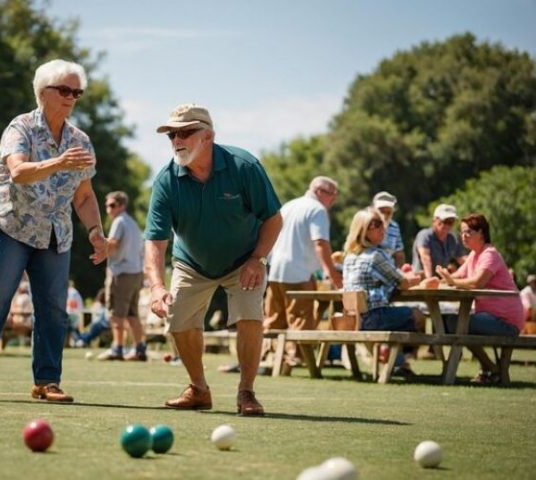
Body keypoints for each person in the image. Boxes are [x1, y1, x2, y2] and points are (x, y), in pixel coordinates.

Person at [0, 59, 107, 402]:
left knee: (53, 308)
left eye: (76, 92)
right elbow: (18, 172)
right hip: (10, 225)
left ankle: (46, 382)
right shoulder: (19, 128)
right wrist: (58, 163)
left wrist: (95, 230)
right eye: (64, 90)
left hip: (54, 233)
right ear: (42, 92)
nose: (71, 97)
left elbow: (85, 195)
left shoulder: (81, 140)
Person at [145, 103, 283, 416]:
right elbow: (155, 241)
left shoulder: (243, 166)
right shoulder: (165, 181)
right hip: (191, 262)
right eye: (172, 134)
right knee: (179, 320)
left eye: (186, 132)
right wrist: (155, 286)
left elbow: (274, 219)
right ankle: (199, 389)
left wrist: (257, 259)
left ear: (208, 136)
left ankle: (246, 391)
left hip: (244, 259)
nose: (177, 139)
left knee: (249, 316)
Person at [435, 213, 524, 384]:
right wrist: (441, 278)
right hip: (488, 318)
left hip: (506, 322)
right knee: (449, 322)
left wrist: (451, 280)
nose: (463, 236)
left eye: (468, 232)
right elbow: (456, 278)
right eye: (461, 232)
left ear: (481, 233)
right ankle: (491, 369)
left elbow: (477, 282)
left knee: (455, 323)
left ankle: (491, 368)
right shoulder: (473, 256)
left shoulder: (489, 254)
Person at [264, 176, 343, 370]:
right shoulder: (317, 210)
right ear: (320, 192)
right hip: (299, 273)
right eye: (333, 196)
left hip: (275, 271)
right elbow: (320, 244)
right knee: (301, 322)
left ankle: (267, 359)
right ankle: (298, 360)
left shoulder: (289, 206)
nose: (333, 201)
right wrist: (334, 276)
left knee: (274, 320)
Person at [342, 208, 428, 375]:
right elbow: (403, 283)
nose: (384, 229)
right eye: (378, 225)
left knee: (397, 317)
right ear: (364, 230)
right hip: (373, 318)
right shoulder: (375, 256)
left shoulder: (349, 257)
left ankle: (399, 363)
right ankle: (405, 359)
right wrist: (420, 277)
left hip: (353, 319)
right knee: (418, 316)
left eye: (383, 224)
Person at [99, 191, 146, 361]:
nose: (108, 209)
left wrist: (100, 250)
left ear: (122, 206)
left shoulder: (119, 221)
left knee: (116, 313)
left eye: (112, 205)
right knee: (133, 314)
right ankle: (140, 349)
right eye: (107, 206)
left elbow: (113, 243)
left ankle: (117, 349)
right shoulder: (133, 223)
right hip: (136, 272)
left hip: (121, 272)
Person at [411, 203, 466, 278]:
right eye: (444, 221)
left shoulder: (452, 239)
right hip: (421, 281)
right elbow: (425, 258)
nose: (447, 225)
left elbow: (463, 259)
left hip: (441, 282)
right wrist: (429, 280)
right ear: (434, 220)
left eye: (450, 222)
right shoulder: (425, 235)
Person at [372, 191, 405, 266]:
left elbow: (399, 252)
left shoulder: (394, 226)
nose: (385, 215)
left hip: (389, 268)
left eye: (388, 212)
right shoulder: (368, 225)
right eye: (382, 211)